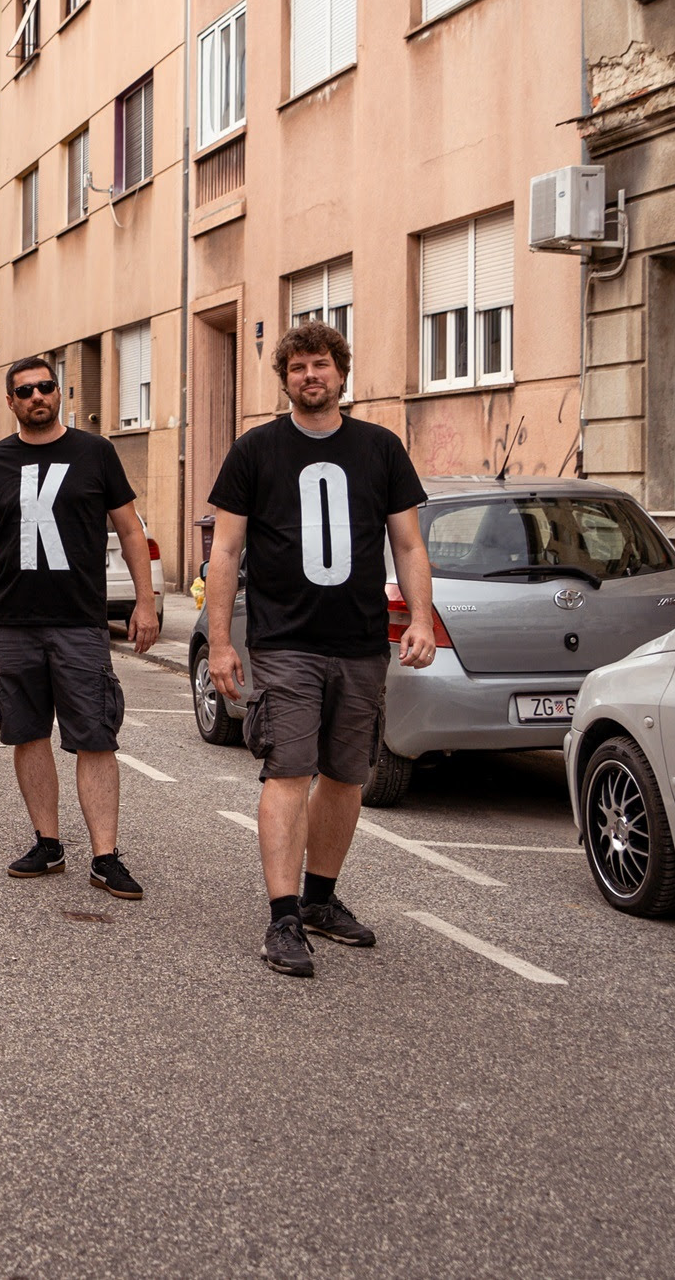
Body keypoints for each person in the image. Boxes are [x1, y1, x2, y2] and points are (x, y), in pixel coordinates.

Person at [204, 321, 436, 978]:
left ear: (342, 373)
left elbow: (410, 544)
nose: (312, 375)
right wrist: (220, 641)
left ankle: (319, 900)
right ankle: (282, 918)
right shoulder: (256, 451)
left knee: (347, 773)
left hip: (361, 641)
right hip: (285, 642)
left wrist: (421, 617)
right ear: (285, 378)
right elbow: (225, 550)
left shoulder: (380, 449)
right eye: (300, 366)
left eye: (323, 364)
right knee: (288, 770)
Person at [0, 356, 159, 897]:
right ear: (10, 402)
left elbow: (131, 532)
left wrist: (146, 602)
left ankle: (106, 856)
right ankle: (48, 842)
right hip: (13, 621)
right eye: (26, 391)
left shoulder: (95, 452)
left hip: (80, 622)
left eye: (46, 387)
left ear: (57, 393)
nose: (38, 396)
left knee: (95, 737)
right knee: (28, 733)